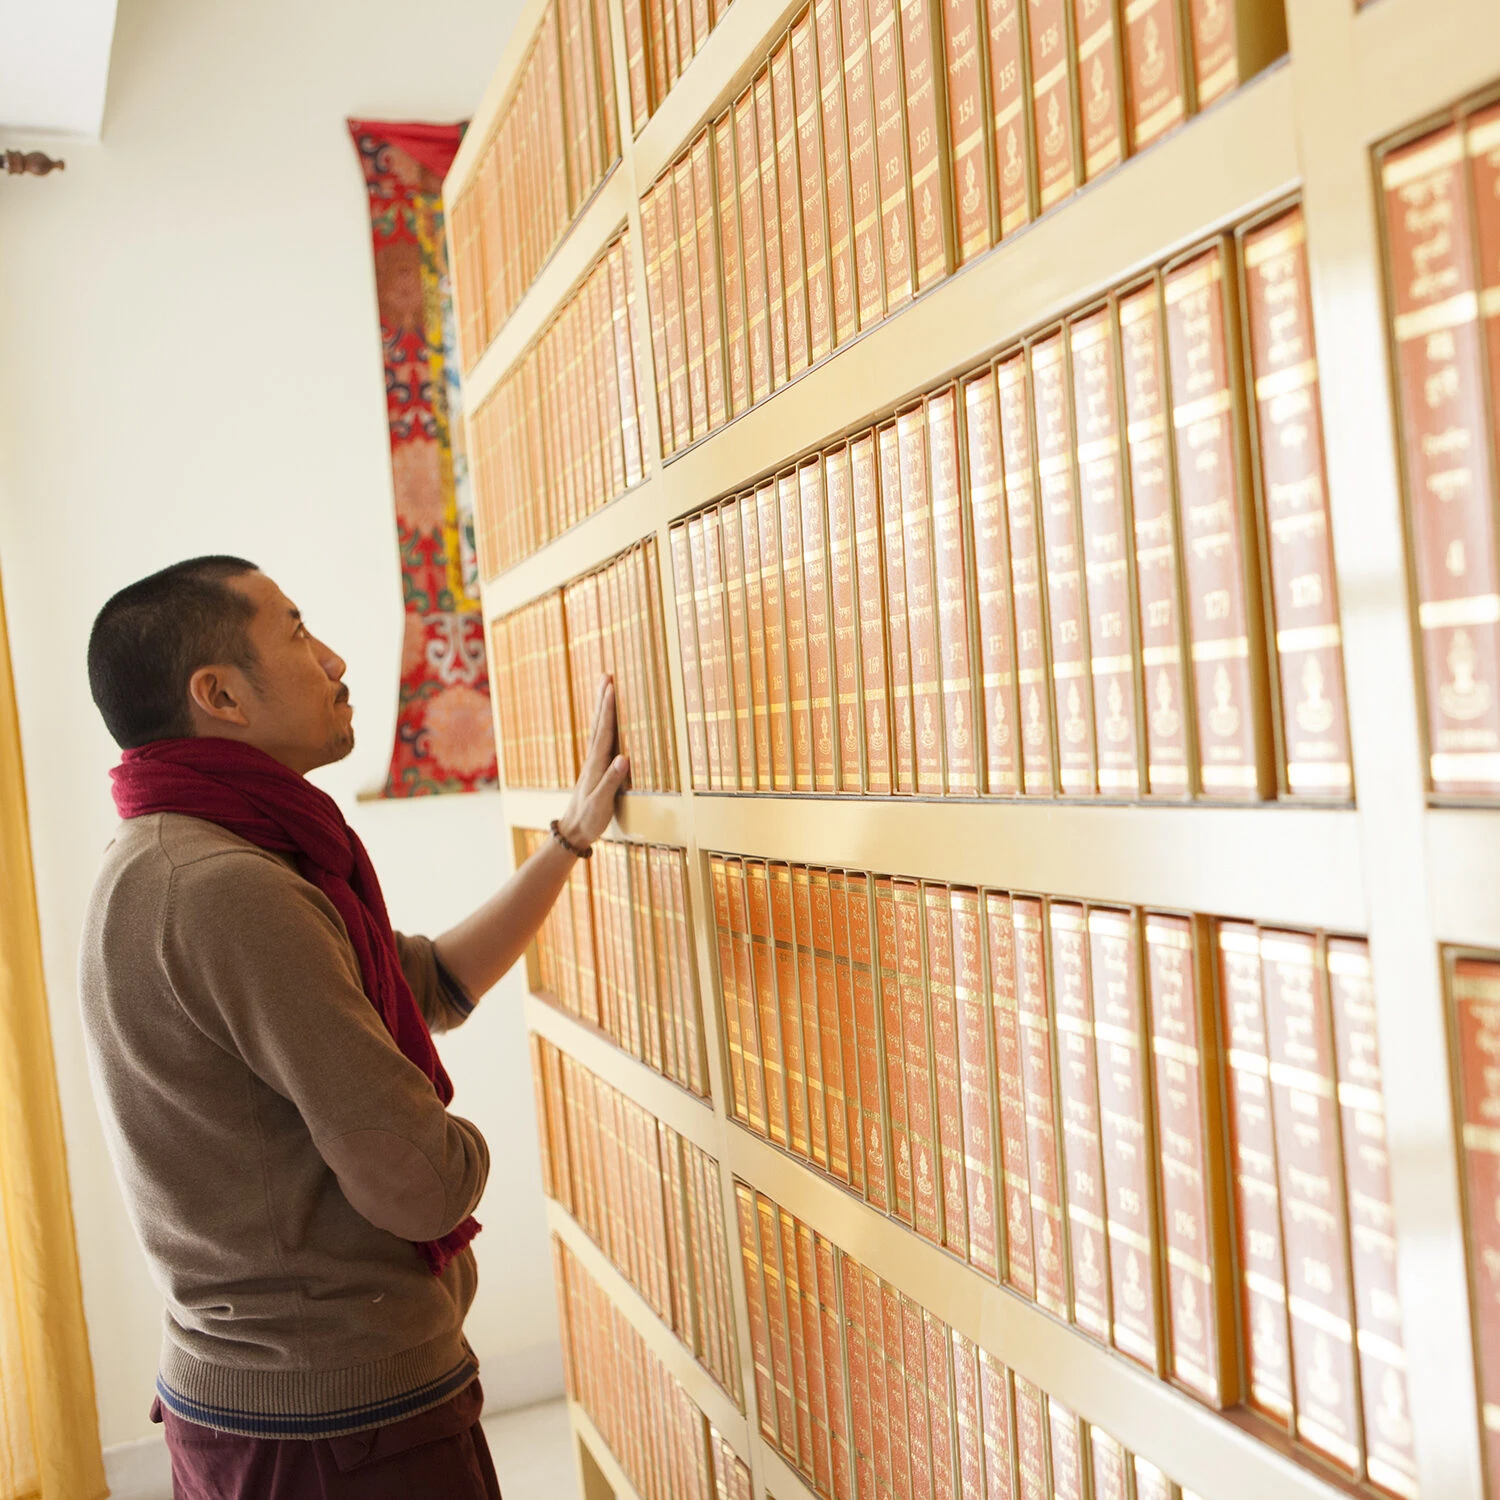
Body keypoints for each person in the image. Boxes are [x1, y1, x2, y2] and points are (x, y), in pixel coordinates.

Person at [78, 556, 628, 1499]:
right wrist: (494, 1150)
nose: (333, 660)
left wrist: (570, 839)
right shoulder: (228, 889)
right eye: (295, 632)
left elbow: (426, 986)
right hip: (340, 1437)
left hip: (263, 1413)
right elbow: (415, 1184)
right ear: (219, 696)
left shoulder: (168, 852)